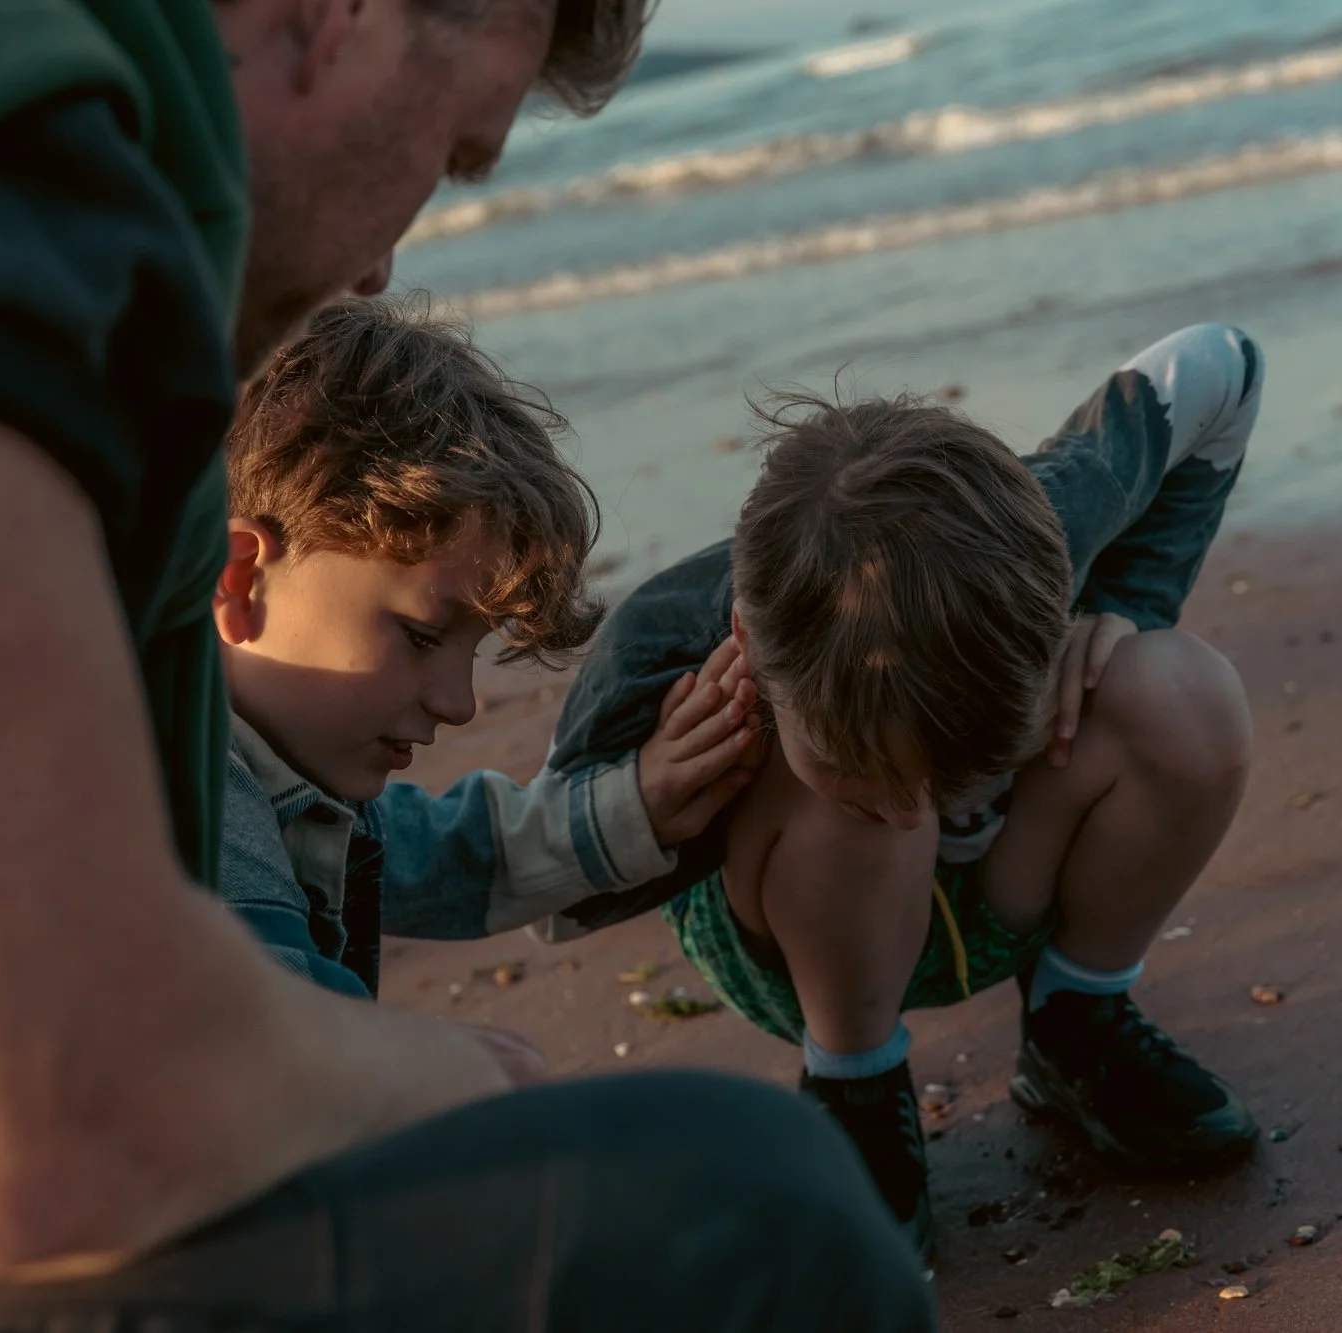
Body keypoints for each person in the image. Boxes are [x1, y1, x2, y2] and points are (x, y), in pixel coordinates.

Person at [0, 1, 938, 1331]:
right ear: (341, 14)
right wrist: (449, 1078)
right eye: (450, 152)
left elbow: (431, 854)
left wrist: (623, 812)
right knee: (748, 1211)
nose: (388, 262)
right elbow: (28, 1102)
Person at [542, 324, 1267, 1254]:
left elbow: (1224, 363)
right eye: (880, 776)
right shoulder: (654, 648)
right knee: (850, 793)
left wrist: (1126, 601)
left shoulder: (1048, 522)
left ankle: (1078, 1022)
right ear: (745, 637)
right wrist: (647, 792)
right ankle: (853, 1083)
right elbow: (547, 898)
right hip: (800, 930)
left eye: (947, 770)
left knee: (1184, 691)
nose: (908, 804)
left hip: (1010, 877)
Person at [215, 297, 762, 1001]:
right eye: (420, 635)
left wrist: (640, 801)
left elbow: (452, 860)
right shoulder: (194, 797)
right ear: (238, 581)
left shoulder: (284, 773)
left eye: (472, 650)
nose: (460, 704)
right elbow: (276, 1051)